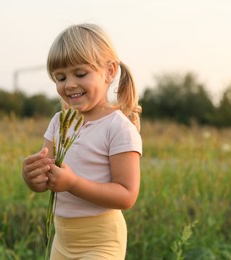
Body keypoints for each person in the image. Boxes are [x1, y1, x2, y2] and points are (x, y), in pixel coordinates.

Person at [22, 23, 142, 259]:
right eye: (60, 77)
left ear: (109, 72)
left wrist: (73, 183)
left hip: (101, 240)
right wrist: (31, 178)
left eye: (80, 74)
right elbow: (46, 178)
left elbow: (127, 195)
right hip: (63, 238)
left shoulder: (118, 128)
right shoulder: (59, 121)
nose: (69, 84)